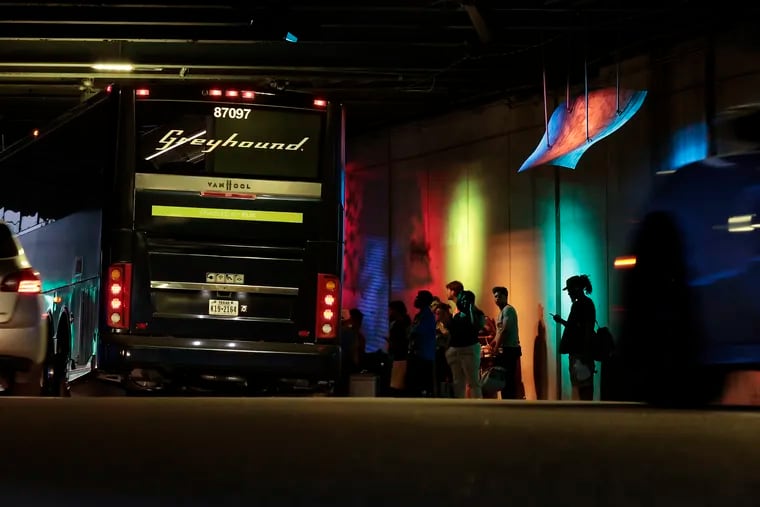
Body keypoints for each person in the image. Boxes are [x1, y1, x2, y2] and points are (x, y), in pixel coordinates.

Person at [553, 275, 596, 401]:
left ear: (576, 289)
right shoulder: (587, 303)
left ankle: (585, 415)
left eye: (570, 290)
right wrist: (561, 321)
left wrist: (586, 352)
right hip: (581, 353)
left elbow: (586, 329)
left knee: (583, 387)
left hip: (580, 353)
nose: (569, 294)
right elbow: (580, 328)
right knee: (583, 385)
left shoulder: (581, 305)